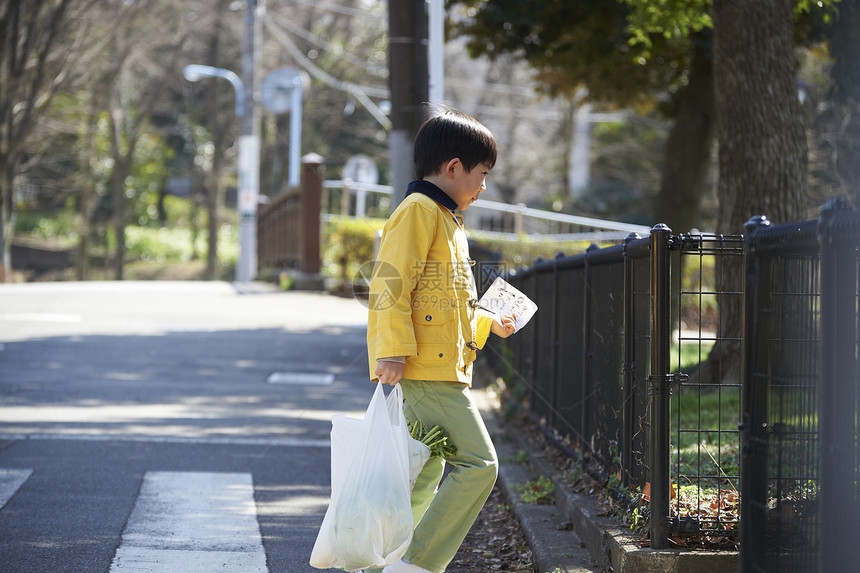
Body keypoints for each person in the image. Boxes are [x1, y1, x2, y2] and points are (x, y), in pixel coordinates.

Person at [366, 106, 518, 573]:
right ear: (453, 168)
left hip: (438, 367)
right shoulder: (420, 212)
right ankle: (414, 564)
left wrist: (486, 323)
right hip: (428, 372)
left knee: (424, 471)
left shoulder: (446, 220)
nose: (484, 186)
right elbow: (390, 284)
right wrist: (389, 349)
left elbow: (445, 305)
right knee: (480, 465)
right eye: (482, 174)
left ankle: (382, 561)